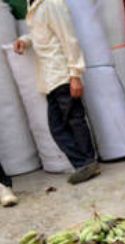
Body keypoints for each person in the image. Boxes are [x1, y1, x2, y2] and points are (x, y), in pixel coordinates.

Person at [13, 0, 100, 185]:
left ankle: (87, 163)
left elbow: (69, 38)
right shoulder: (35, 5)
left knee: (70, 122)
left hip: (61, 73)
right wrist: (25, 40)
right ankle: (85, 163)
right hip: (51, 76)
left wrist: (75, 74)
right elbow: (42, 35)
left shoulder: (52, 4)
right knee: (63, 125)